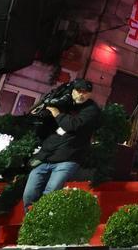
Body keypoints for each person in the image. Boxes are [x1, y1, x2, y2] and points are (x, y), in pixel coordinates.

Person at [23, 79, 100, 210]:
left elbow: (72, 125)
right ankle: (30, 224)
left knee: (50, 195)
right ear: (73, 91)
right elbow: (43, 121)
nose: (81, 94)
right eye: (78, 91)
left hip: (68, 159)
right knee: (29, 195)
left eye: (85, 92)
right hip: (45, 156)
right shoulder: (64, 102)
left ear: (90, 94)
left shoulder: (91, 110)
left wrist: (57, 114)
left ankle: (42, 226)